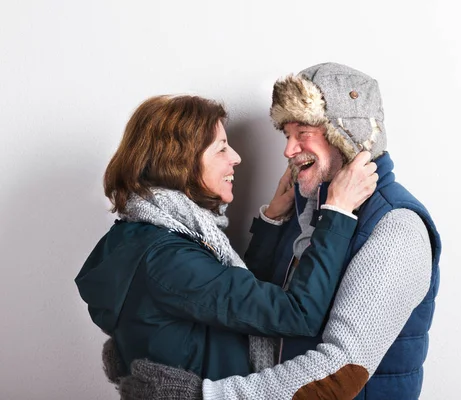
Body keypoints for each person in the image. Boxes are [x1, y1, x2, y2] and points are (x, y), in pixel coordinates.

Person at [116, 62, 442, 400]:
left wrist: (204, 396)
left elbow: (341, 371)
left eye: (303, 133)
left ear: (345, 134)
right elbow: (254, 309)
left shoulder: (396, 228)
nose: (288, 150)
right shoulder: (312, 210)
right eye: (287, 135)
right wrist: (272, 224)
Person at [74, 94, 378, 381]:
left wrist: (271, 220)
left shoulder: (144, 238)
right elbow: (296, 313)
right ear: (180, 161)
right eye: (221, 148)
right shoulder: (167, 259)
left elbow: (236, 299)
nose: (236, 157)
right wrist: (337, 212)